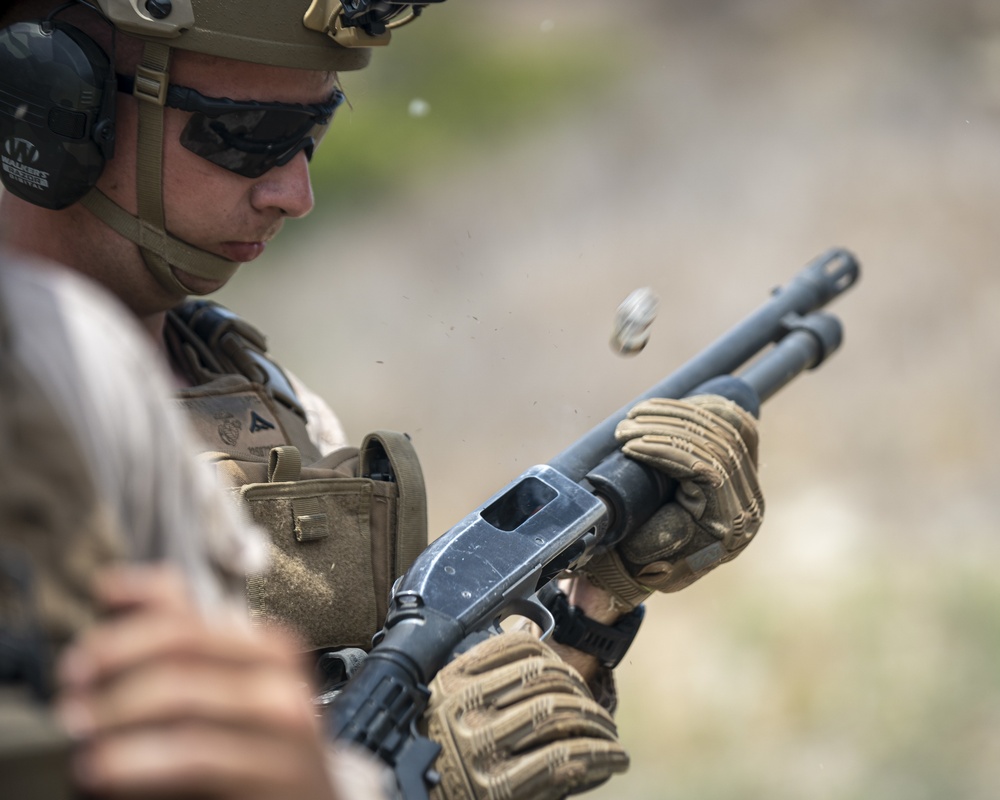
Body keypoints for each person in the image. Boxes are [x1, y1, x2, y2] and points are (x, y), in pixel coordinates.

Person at [0, 1, 764, 797]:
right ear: (54, 107)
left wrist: (588, 613)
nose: (296, 192)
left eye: (310, 136)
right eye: (247, 137)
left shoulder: (256, 395)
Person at [0, 245, 389, 799]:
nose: (294, 196)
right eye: (250, 151)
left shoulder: (255, 386)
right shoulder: (70, 366)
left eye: (304, 151)